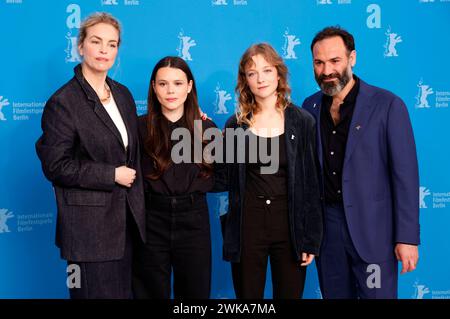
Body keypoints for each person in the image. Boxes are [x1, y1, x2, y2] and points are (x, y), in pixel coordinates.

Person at [302, 26, 420, 299]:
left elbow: (405, 176)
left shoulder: (387, 105)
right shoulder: (309, 107)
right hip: (328, 234)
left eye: (335, 61)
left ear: (352, 58)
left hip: (374, 233)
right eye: (319, 63)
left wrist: (408, 237)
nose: (326, 70)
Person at [35, 13, 145, 299]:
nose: (104, 50)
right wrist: (111, 174)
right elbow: (56, 166)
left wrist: (194, 120)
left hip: (127, 226)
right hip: (89, 233)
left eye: (112, 44)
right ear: (80, 46)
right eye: (96, 41)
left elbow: (135, 145)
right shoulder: (63, 102)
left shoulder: (123, 95)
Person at [219, 43, 323, 299]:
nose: (261, 78)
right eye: (252, 73)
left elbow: (311, 183)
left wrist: (310, 239)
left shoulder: (302, 121)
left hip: (289, 225)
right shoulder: (236, 125)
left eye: (266, 70)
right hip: (248, 223)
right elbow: (221, 177)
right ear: (245, 81)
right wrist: (199, 128)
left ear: (278, 74)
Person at [132, 56, 218, 299]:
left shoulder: (207, 129)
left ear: (189, 86)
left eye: (178, 83)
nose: (171, 90)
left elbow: (221, 177)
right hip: (150, 220)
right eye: (163, 84)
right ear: (153, 87)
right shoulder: (137, 128)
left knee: (195, 296)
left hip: (194, 221)